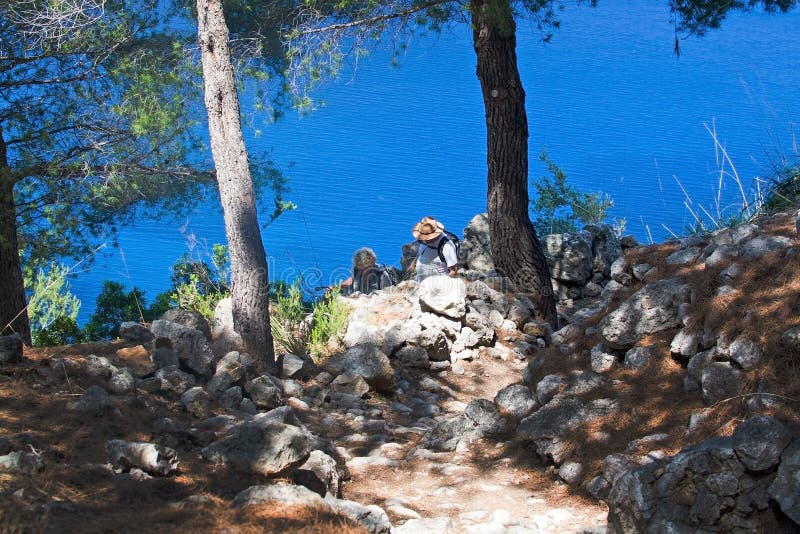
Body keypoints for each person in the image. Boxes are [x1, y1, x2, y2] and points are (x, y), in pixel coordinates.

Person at [409, 216, 458, 282]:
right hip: (421, 281)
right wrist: (413, 263)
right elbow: (421, 252)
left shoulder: (447, 246)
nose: (425, 240)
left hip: (437, 286)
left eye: (427, 238)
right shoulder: (422, 239)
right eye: (423, 237)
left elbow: (453, 271)